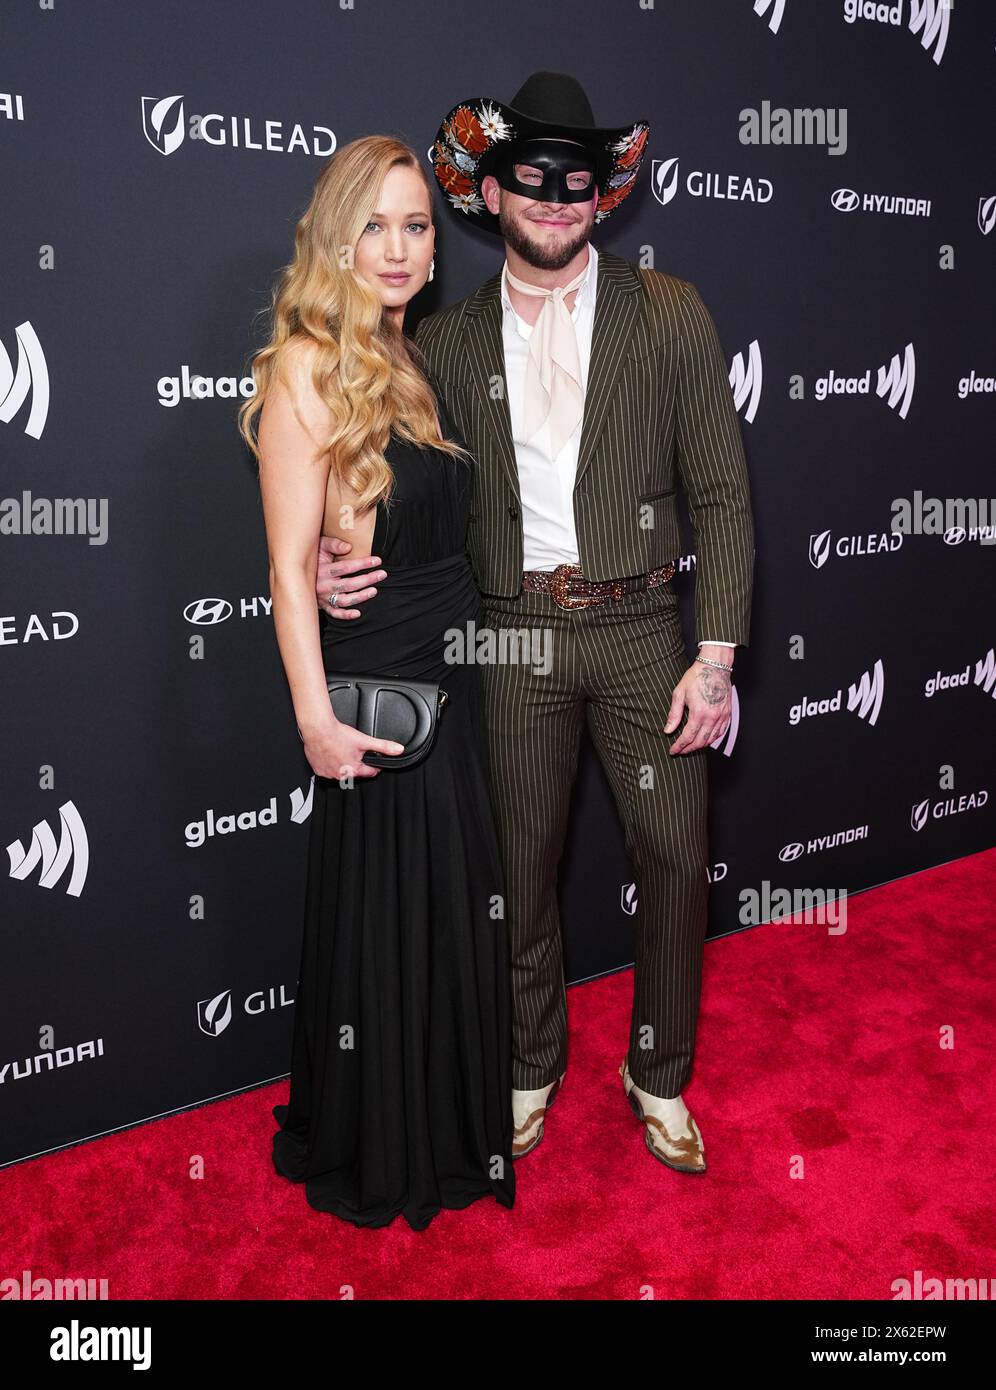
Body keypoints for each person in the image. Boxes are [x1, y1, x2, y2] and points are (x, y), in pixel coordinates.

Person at [316, 73, 756, 1174]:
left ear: (603, 196)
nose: (557, 199)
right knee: (519, 866)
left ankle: (657, 1074)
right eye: (534, 179)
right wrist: (334, 558)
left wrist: (717, 654)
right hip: (510, 635)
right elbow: (393, 482)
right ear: (493, 194)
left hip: (647, 625)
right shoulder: (446, 345)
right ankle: (528, 1065)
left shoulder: (674, 313)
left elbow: (724, 495)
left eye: (579, 181)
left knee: (670, 854)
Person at [239, 135, 515, 1229]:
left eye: (415, 226)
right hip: (387, 692)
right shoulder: (305, 362)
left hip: (459, 670)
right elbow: (283, 564)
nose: (398, 248)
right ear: (333, 235)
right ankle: (391, 1140)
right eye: (375, 225)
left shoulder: (411, 358)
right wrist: (313, 720)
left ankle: (444, 1120)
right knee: (396, 916)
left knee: (449, 914)